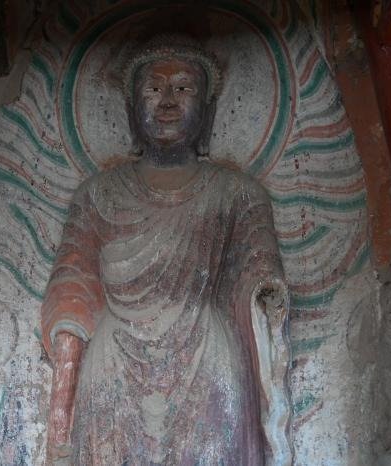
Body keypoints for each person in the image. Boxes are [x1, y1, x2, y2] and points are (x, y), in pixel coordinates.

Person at [41, 35, 292, 465]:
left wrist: (265, 292)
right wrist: (63, 398)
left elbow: (256, 275)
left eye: (183, 88)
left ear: (208, 111)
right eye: (154, 89)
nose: (168, 101)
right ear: (130, 110)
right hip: (112, 365)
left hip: (208, 360)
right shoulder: (97, 195)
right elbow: (71, 287)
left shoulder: (238, 194)